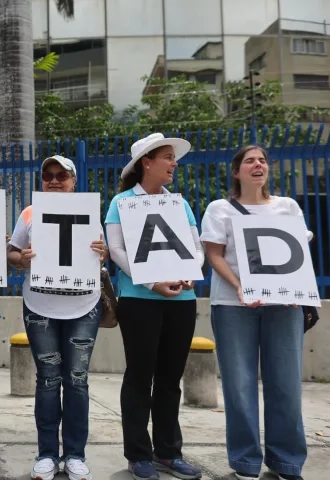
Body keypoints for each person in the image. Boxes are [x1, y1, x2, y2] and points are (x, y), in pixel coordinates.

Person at [200, 145, 308, 480]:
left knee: (286, 383)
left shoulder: (287, 207)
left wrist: (297, 288)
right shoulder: (220, 209)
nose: (257, 164)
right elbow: (214, 255)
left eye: (262, 160)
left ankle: (287, 462)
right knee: (239, 385)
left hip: (283, 306)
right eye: (249, 161)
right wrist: (239, 286)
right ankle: (246, 463)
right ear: (237, 172)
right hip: (234, 307)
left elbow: (299, 252)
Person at [104, 133, 204, 480]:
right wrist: (151, 282)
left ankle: (168, 453)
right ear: (146, 162)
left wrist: (192, 272)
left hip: (182, 300)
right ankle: (138, 454)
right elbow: (116, 250)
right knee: (139, 377)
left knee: (169, 379)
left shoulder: (180, 203)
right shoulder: (121, 202)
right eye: (167, 157)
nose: (174, 164)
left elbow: (195, 244)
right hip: (139, 300)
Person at [7, 156, 107, 480]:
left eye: (60, 175)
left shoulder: (90, 212)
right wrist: (21, 258)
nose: (53, 180)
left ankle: (75, 454)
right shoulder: (29, 213)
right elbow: (11, 253)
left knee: (76, 380)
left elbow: (104, 254)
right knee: (48, 380)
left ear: (73, 180)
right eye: (47, 175)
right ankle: (47, 454)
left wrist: (104, 253)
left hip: (84, 307)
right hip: (40, 308)